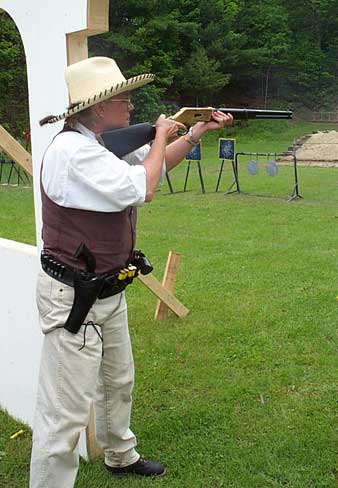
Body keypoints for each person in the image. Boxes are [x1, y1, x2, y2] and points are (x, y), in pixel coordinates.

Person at [30, 56, 233, 488]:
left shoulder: (101, 146)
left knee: (118, 381)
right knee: (63, 416)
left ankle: (120, 456)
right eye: (123, 100)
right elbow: (144, 185)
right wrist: (162, 133)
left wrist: (194, 132)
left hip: (105, 288)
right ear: (100, 108)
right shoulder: (73, 152)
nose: (131, 108)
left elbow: (154, 163)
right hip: (73, 296)